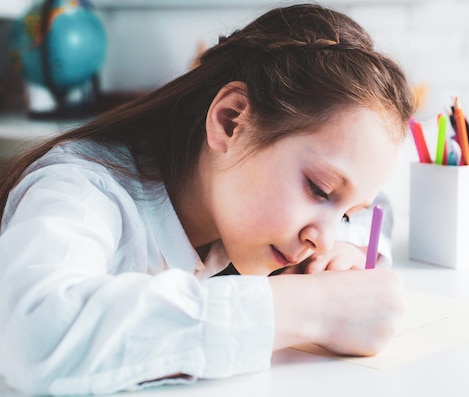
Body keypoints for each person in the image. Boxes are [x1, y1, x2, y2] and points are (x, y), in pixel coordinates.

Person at [0, 3, 414, 395]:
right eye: (319, 190)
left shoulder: (239, 219)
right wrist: (312, 307)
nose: (320, 239)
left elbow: (382, 214)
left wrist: (349, 246)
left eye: (344, 213)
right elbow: (34, 335)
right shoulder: (82, 190)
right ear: (231, 121)